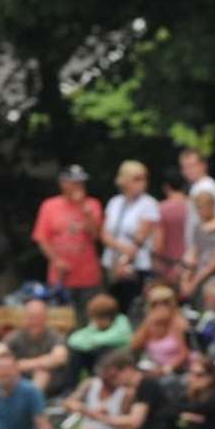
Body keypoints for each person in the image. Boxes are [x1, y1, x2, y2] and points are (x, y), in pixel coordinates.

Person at [32, 164, 104, 319]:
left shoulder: (92, 204)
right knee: (62, 319)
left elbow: (95, 236)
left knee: (88, 318)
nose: (80, 186)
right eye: (75, 182)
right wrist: (56, 260)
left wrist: (86, 213)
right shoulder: (49, 206)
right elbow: (41, 238)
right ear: (64, 184)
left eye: (81, 182)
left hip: (88, 275)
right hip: (61, 276)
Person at [100, 159, 160, 313]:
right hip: (112, 265)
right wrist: (119, 248)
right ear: (125, 180)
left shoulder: (148, 204)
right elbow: (105, 234)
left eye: (144, 179)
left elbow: (140, 238)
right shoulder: (114, 202)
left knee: (132, 309)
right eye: (136, 179)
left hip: (135, 266)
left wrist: (125, 259)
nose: (142, 183)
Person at [4, 298, 70, 397]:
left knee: (41, 373)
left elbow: (60, 358)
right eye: (31, 317)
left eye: (38, 317)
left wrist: (21, 365)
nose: (35, 321)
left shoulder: (55, 336)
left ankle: (29, 407)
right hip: (19, 377)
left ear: (45, 317)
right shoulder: (16, 335)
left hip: (51, 381)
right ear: (25, 317)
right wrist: (10, 368)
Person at [178, 191, 215, 302]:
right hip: (199, 270)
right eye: (197, 208)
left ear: (212, 206)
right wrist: (186, 277)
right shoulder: (198, 226)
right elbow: (194, 252)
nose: (199, 212)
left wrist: (195, 281)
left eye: (202, 207)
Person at [131, 283, 191, 377]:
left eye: (165, 303)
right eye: (155, 304)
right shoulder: (148, 323)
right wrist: (149, 323)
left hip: (176, 372)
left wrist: (166, 369)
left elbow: (185, 353)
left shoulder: (179, 323)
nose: (160, 307)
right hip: (152, 369)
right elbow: (134, 346)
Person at [67, 293, 133, 377]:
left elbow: (113, 338)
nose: (96, 322)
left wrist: (91, 341)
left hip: (119, 361)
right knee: (76, 352)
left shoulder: (122, 322)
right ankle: (70, 387)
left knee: (103, 349)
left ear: (108, 317)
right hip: (97, 361)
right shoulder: (95, 325)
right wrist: (90, 342)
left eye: (98, 319)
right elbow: (73, 339)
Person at [178, 148, 215, 244]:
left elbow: (208, 222)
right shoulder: (199, 186)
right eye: (184, 167)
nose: (188, 171)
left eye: (192, 166)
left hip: (206, 248)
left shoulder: (204, 188)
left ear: (203, 165)